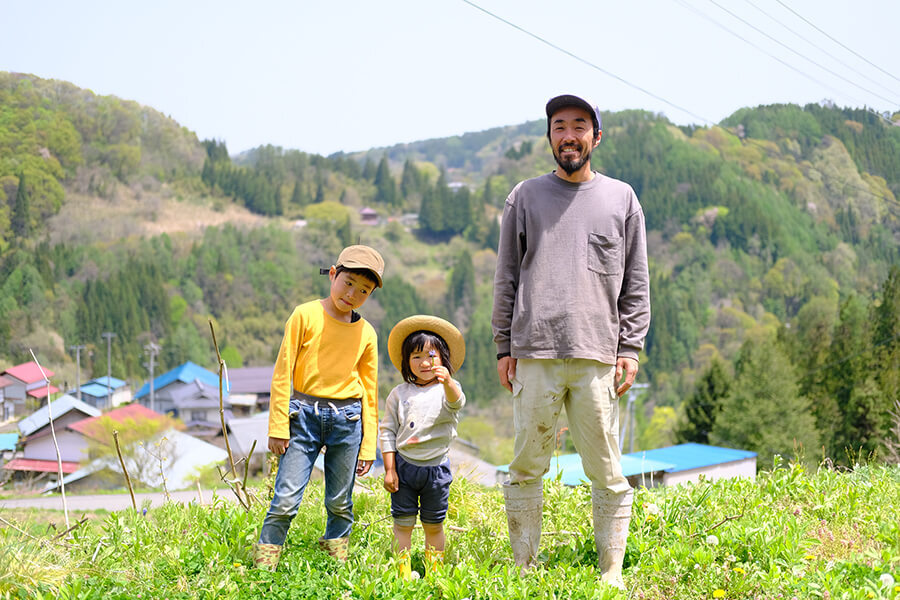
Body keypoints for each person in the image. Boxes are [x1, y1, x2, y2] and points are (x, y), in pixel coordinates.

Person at [491, 94, 650, 588]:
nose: (569, 135)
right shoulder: (525, 197)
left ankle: (611, 572)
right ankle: (524, 567)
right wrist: (503, 345)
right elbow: (506, 276)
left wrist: (630, 347)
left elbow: (636, 280)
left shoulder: (621, 198)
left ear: (595, 137)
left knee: (605, 467)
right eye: (559, 126)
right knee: (526, 464)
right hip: (534, 350)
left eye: (579, 125)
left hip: (597, 353)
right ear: (549, 138)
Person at [252, 244, 385, 570]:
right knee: (285, 500)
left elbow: (369, 392)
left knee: (340, 502)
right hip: (303, 417)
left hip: (348, 420)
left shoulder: (366, 333)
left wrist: (369, 446)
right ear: (333, 275)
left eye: (364, 290)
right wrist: (278, 426)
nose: (352, 294)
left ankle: (333, 569)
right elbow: (283, 372)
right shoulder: (304, 315)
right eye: (348, 283)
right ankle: (262, 569)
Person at [379, 315, 466, 579]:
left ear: (444, 360)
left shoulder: (447, 390)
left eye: (432, 356)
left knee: (434, 524)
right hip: (405, 468)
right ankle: (403, 573)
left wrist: (448, 381)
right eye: (416, 357)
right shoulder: (399, 393)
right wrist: (390, 470)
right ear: (406, 362)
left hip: (436, 470)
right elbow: (387, 432)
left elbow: (457, 402)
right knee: (402, 524)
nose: (424, 363)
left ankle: (435, 573)